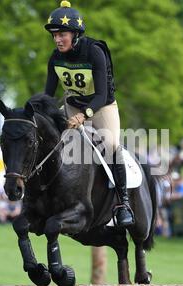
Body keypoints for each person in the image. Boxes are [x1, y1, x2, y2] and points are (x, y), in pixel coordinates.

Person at [43, 1, 134, 227]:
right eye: (54, 35)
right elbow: (48, 95)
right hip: (73, 106)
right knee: (53, 142)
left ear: (75, 34)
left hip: (102, 107)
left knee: (111, 146)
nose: (57, 39)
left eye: (61, 34)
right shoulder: (55, 58)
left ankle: (123, 204)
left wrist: (84, 116)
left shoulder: (94, 52)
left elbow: (101, 95)